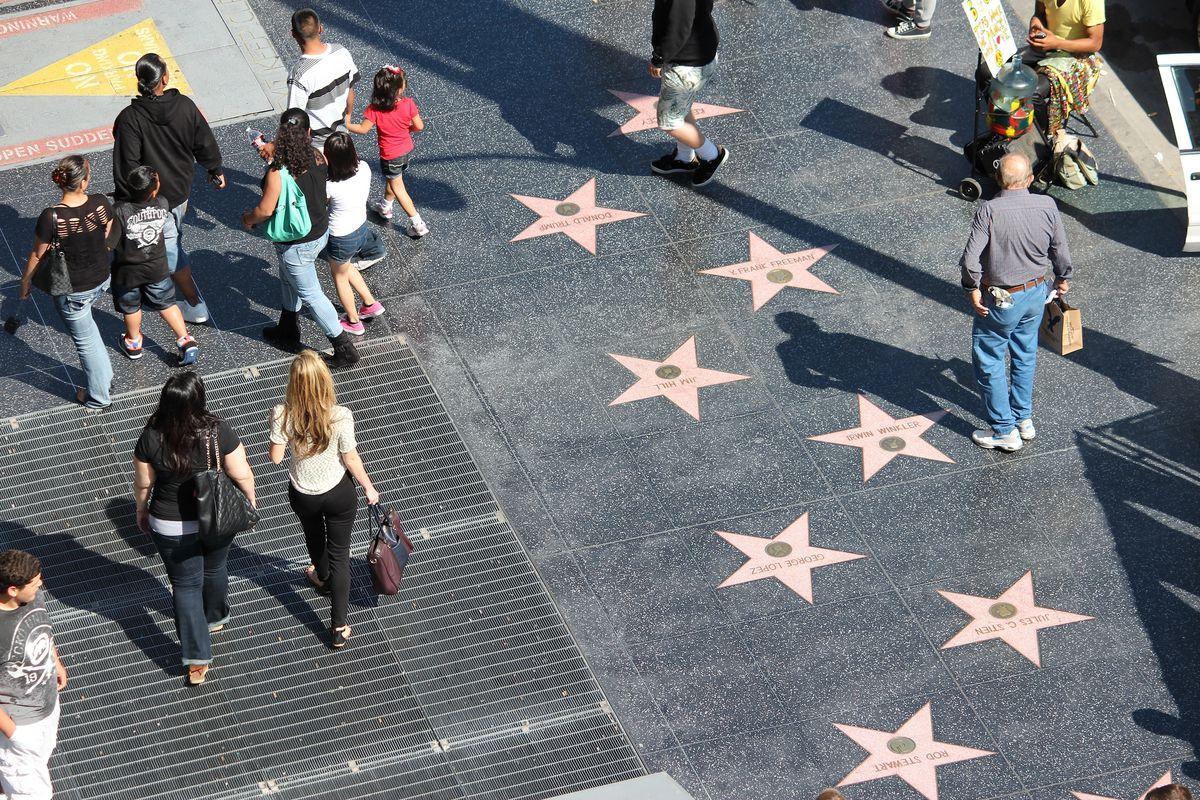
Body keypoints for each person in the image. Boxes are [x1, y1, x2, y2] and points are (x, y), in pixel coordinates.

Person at [133, 372, 256, 685]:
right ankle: (214, 617)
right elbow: (241, 473)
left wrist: (141, 510)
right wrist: (249, 504)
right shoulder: (217, 430)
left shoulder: (151, 435)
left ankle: (196, 660)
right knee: (215, 568)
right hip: (216, 517)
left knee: (185, 586)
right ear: (199, 399)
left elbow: (144, 482)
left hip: (169, 522)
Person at [960, 153, 1073, 452]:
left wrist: (971, 287)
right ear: (1031, 179)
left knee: (989, 358)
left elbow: (971, 259)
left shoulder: (989, 211)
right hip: (1036, 293)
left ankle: (1004, 431)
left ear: (998, 179)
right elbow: (1059, 248)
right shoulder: (1047, 205)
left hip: (1001, 299)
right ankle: (1024, 419)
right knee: (1025, 353)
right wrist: (1062, 277)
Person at [269, 351, 380, 649]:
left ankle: (322, 577)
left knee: (314, 537)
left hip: (303, 493)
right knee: (340, 553)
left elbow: (276, 458)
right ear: (324, 381)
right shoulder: (340, 415)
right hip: (338, 492)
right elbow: (350, 457)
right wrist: (369, 487)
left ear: (293, 383)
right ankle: (338, 626)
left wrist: (286, 437)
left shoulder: (282, 413)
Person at [241, 109, 361, 369]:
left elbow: (265, 210)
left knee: (312, 295)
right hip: (319, 230)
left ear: (281, 135)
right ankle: (287, 327)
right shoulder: (318, 156)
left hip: (296, 243)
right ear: (308, 132)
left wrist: (248, 219)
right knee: (287, 277)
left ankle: (344, 349)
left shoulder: (278, 172)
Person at [113, 52, 225, 325]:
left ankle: (193, 302)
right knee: (172, 236)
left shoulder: (130, 119)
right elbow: (204, 141)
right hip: (179, 191)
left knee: (172, 247)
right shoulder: (186, 106)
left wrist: (127, 200)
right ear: (164, 78)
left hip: (148, 197)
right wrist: (214, 168)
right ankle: (171, 290)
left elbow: (127, 164)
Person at [19, 156, 115, 409]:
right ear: (84, 181)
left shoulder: (51, 217)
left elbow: (38, 254)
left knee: (86, 342)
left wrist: (26, 282)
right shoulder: (101, 203)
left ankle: (98, 397)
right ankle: (104, 380)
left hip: (73, 290)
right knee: (91, 333)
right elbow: (107, 233)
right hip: (101, 278)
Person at [111, 166, 199, 365]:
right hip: (157, 267)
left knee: (131, 307)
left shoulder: (119, 210)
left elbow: (112, 239)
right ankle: (185, 339)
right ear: (153, 190)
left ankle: (133, 344)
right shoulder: (162, 203)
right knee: (166, 302)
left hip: (128, 271)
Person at [0, 550, 67, 800]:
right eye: (34, 584)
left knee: (39, 758)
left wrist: (55, 661)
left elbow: (42, 628)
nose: (40, 586)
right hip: (19, 725)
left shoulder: (32, 597)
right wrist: (14, 734)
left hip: (46, 708)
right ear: (12, 590)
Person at [647, 0, 728, 187]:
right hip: (701, 51)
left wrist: (659, 57)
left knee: (669, 122)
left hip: (685, 64)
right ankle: (684, 158)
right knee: (682, 108)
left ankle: (712, 155)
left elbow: (678, 26)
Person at [344, 65, 428, 237]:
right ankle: (385, 207)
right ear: (400, 88)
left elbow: (362, 129)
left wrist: (346, 124)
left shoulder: (374, 109)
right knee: (393, 179)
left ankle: (417, 223)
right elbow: (419, 126)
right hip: (405, 150)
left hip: (390, 155)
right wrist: (405, 129)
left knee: (398, 187)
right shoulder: (409, 104)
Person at [321, 132, 387, 336]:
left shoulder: (330, 185)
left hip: (340, 236)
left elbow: (321, 204)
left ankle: (353, 321)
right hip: (360, 227)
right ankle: (369, 303)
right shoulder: (365, 168)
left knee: (339, 276)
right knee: (346, 266)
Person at [1025, 0, 1104, 134]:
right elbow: (1039, 13)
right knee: (992, 70)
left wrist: (1057, 43)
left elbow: (1095, 43)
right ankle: (1004, 122)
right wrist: (1036, 24)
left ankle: (1043, 136)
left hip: (1078, 58)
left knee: (1032, 93)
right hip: (1049, 47)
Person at [286, 8, 359, 149]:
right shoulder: (341, 52)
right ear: (320, 28)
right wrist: (348, 117)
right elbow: (350, 91)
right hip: (342, 137)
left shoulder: (299, 74)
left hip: (317, 144)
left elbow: (294, 119)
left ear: (293, 34)